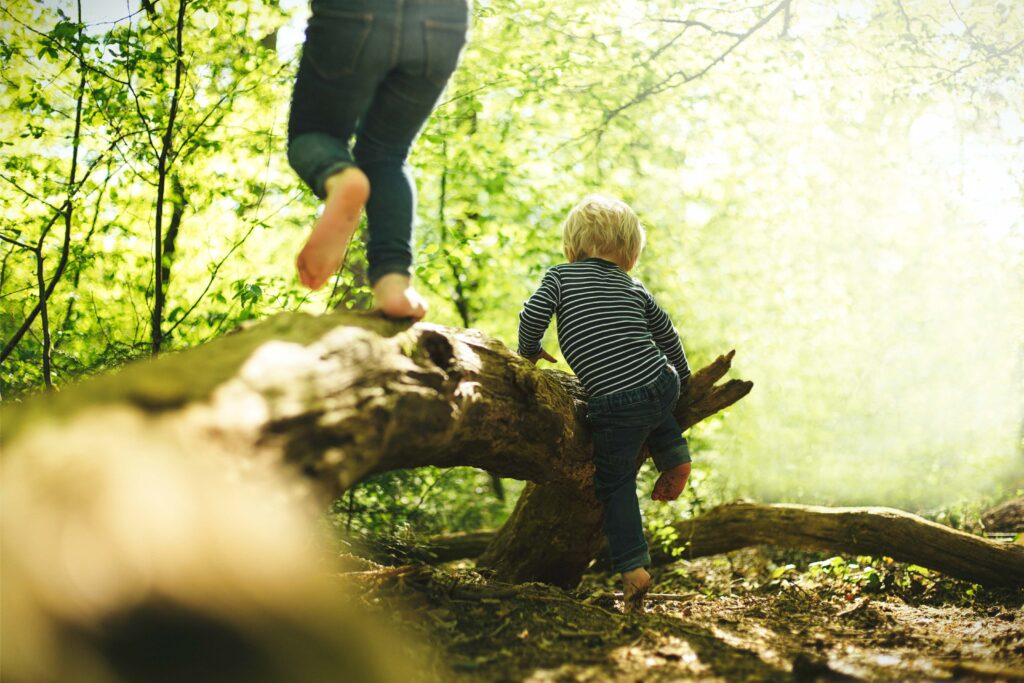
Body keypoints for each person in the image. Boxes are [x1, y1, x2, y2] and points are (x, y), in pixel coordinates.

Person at [517, 194, 693, 612]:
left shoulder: (560, 278)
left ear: (571, 248)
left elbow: (531, 314)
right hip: (659, 379)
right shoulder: (634, 286)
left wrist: (528, 353)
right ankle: (674, 454)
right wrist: (683, 381)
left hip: (614, 402)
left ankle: (633, 567)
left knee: (613, 484)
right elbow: (667, 334)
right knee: (654, 406)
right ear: (631, 255)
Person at [287, 0, 469, 319]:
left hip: (355, 12)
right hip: (444, 19)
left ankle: (340, 175)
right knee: (388, 152)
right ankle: (394, 284)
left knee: (314, 133)